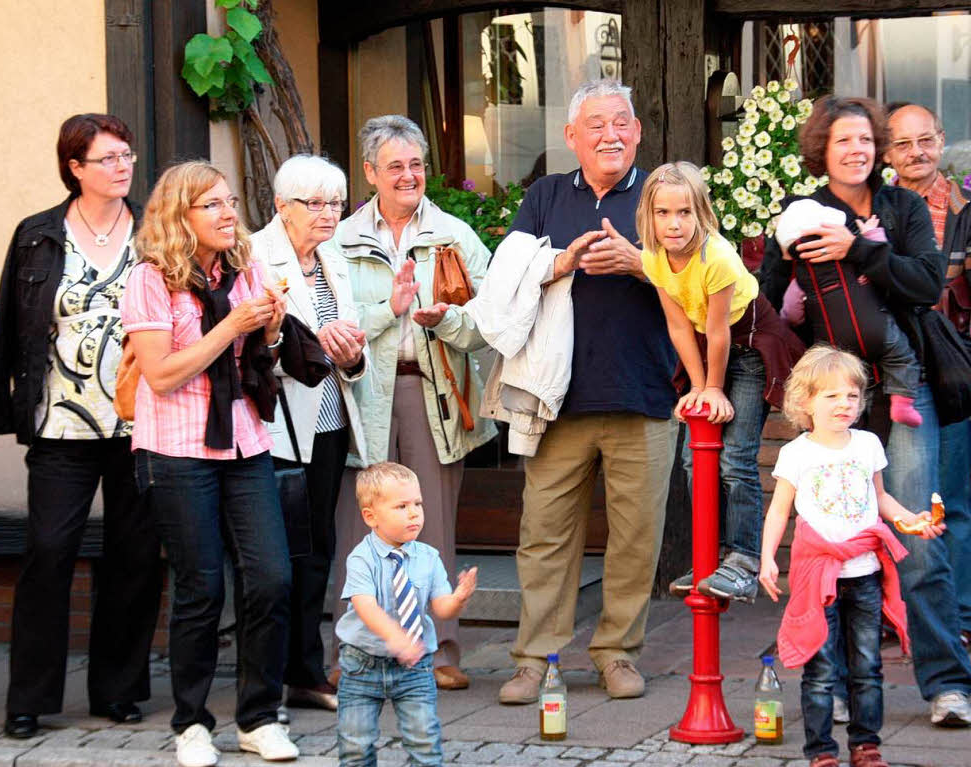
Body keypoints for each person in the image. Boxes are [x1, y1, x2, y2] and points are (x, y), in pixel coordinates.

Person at [761, 96, 971, 727]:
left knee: (916, 534)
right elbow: (768, 301)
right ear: (822, 152)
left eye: (865, 141)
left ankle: (946, 684)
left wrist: (855, 248)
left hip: (906, 391)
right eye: (843, 141)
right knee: (827, 540)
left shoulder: (901, 207)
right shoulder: (798, 217)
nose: (857, 150)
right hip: (835, 404)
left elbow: (926, 284)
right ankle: (837, 681)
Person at [497, 79, 679, 704]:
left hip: (645, 392)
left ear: (637, 131)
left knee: (635, 537)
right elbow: (506, 279)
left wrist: (640, 264)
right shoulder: (545, 196)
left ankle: (617, 653)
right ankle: (534, 658)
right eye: (596, 124)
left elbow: (713, 285)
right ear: (571, 137)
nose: (612, 134)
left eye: (622, 122)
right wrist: (560, 263)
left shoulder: (665, 196)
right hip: (558, 401)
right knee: (543, 534)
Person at [0, 114, 162, 739]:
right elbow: (13, 325)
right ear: (75, 167)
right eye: (109, 157)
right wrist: (8, 408)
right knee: (49, 552)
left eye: (127, 154)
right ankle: (29, 697)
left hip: (141, 423)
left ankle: (117, 691)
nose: (124, 166)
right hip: (60, 423)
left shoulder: (154, 231)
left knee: (135, 558)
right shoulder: (37, 235)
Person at [121, 161, 298, 766]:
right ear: (180, 217)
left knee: (272, 577)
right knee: (201, 588)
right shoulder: (149, 279)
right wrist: (232, 324)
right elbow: (163, 374)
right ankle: (192, 723)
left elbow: (261, 359)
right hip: (175, 448)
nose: (229, 214)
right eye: (212, 206)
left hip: (244, 440)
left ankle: (258, 716)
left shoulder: (245, 268)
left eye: (229, 202)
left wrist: (270, 329)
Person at [330, 115, 496, 691]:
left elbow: (492, 319)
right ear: (370, 172)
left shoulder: (455, 235)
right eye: (395, 166)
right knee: (360, 521)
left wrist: (447, 319)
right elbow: (328, 320)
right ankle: (353, 650)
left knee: (429, 521)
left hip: (435, 391)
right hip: (362, 390)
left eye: (417, 165)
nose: (408, 176)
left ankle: (440, 649)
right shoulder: (341, 239)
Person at [759, 346, 944, 767]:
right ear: (805, 402)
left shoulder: (867, 445)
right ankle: (821, 751)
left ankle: (865, 745)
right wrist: (768, 558)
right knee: (821, 670)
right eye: (831, 396)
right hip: (816, 576)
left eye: (852, 396)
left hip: (864, 574)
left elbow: (881, 499)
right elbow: (778, 511)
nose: (845, 404)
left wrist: (911, 520)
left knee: (867, 668)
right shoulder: (796, 454)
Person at [638, 162, 804, 604]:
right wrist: (697, 385)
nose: (674, 223)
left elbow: (719, 331)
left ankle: (744, 560)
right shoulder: (653, 258)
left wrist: (713, 387)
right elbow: (678, 327)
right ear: (649, 216)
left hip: (749, 345)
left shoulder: (718, 258)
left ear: (702, 213)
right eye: (663, 213)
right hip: (707, 347)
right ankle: (707, 556)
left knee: (735, 458)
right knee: (696, 462)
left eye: (685, 212)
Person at [251, 154, 368, 714]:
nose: (328, 214)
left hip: (326, 424)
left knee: (317, 549)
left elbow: (346, 353)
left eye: (336, 203)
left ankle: (305, 670)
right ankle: (265, 677)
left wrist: (350, 355)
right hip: (273, 429)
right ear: (281, 207)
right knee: (274, 558)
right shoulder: (254, 256)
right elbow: (248, 351)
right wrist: (316, 344)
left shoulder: (335, 260)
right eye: (315, 204)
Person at [885, 102, 971, 651]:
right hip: (891, 369)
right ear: (886, 152)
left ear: (941, 141)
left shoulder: (966, 210)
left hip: (953, 368)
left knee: (954, 497)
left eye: (926, 140)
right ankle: (898, 616)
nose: (917, 153)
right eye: (903, 144)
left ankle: (957, 614)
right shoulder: (871, 210)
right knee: (894, 497)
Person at [335, 462, 477, 766]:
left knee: (425, 742)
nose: (414, 513)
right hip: (362, 664)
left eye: (418, 504)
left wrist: (458, 598)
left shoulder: (428, 558)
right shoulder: (361, 558)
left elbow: (440, 608)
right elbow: (365, 605)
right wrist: (395, 637)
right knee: (355, 746)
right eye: (401, 506)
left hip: (415, 668)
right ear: (371, 516)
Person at [773, 197, 923, 428]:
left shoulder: (801, 278)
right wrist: (872, 234)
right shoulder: (850, 254)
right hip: (879, 330)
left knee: (844, 383)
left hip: (837, 343)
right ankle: (902, 402)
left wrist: (792, 320)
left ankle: (850, 424)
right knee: (902, 358)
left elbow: (792, 313)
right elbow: (880, 258)